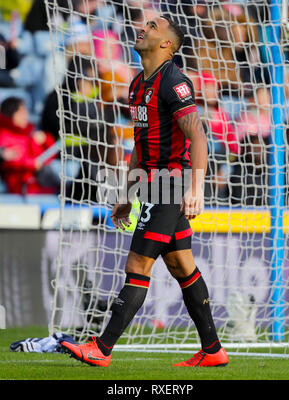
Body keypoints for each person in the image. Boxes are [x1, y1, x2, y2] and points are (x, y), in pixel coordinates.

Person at [61, 15, 229, 368]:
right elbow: (141, 144)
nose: (144, 29)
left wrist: (196, 188)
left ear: (167, 43)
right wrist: (128, 193)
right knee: (182, 265)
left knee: (137, 264)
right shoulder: (138, 84)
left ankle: (102, 348)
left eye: (154, 27)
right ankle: (212, 349)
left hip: (171, 184)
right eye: (145, 25)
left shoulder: (174, 82)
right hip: (153, 185)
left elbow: (198, 135)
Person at [0, 97, 58, 194]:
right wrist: (32, 164)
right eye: (22, 112)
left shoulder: (30, 133)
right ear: (12, 114)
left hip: (41, 183)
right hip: (20, 187)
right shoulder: (4, 136)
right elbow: (8, 162)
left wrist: (46, 139)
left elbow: (51, 155)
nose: (26, 116)